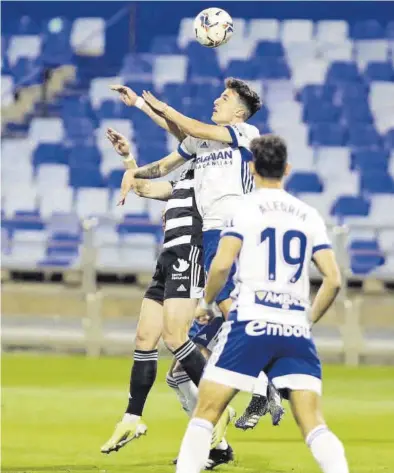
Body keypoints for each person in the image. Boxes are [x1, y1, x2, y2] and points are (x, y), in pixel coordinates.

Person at [114, 78, 284, 425]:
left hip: (233, 224)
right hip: (212, 231)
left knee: (224, 303)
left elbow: (186, 124)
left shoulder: (246, 134)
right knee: (225, 305)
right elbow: (164, 164)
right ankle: (262, 379)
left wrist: (160, 105)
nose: (217, 101)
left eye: (225, 98)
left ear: (239, 112)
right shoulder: (202, 146)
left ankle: (266, 379)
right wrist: (132, 169)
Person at [175, 134, 349, 473]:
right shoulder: (308, 214)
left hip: (250, 321)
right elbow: (334, 279)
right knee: (313, 424)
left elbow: (222, 264)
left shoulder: (242, 208)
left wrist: (207, 303)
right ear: (287, 169)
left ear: (251, 167)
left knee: (206, 414)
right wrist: (306, 320)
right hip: (294, 329)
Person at [100, 125, 233, 468]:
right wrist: (127, 157)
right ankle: (132, 417)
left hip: (189, 256)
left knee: (175, 336)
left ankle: (217, 407)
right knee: (145, 336)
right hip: (166, 259)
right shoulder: (181, 184)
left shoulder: (212, 186)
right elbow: (142, 185)